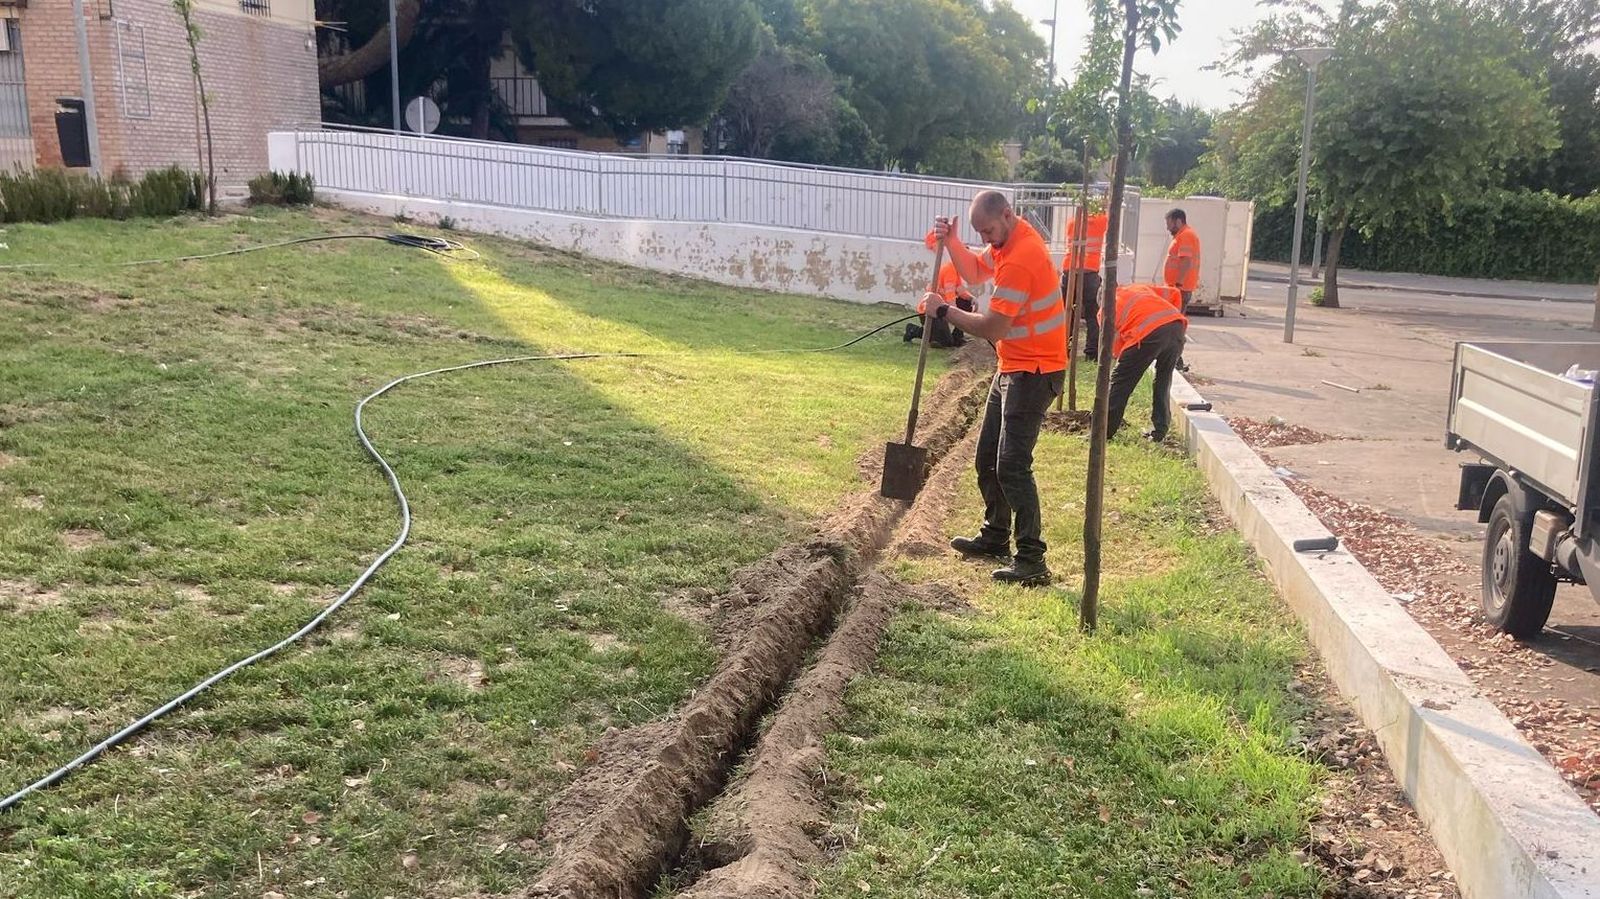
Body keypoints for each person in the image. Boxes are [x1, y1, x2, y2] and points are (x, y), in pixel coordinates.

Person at [922, 190, 1066, 587]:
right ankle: (995, 536)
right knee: (987, 457)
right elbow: (973, 272)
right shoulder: (1005, 243)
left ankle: (1032, 559)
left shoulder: (1022, 257)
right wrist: (951, 241)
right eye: (978, 233)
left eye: (987, 231)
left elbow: (993, 328)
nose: (984, 240)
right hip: (1014, 365)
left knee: (1012, 465)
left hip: (1035, 371)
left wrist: (944, 311)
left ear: (1007, 215)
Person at [1103, 283, 1187, 442]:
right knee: (1163, 379)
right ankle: (1159, 431)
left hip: (1148, 332)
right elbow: (1174, 293)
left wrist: (1121, 363)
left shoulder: (1105, 310)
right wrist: (1170, 316)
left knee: (1120, 382)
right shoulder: (1138, 288)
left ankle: (1103, 431)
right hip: (1176, 326)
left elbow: (1114, 348)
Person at [1061, 201, 1108, 359]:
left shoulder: (1072, 223)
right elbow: (1107, 216)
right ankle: (1092, 353)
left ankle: (1064, 350)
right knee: (1093, 314)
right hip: (1089, 273)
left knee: (1068, 313)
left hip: (1069, 270)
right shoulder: (1100, 221)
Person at [904, 260, 975, 348]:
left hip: (940, 308)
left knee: (967, 303)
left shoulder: (956, 269)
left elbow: (959, 290)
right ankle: (914, 330)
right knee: (946, 342)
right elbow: (951, 297)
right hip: (930, 309)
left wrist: (972, 298)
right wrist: (956, 315)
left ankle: (957, 337)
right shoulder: (950, 270)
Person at [1162, 208, 1200, 371]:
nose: (1168, 228)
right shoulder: (1183, 235)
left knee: (1175, 326)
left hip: (1179, 289)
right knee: (1174, 325)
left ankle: (1175, 360)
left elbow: (1186, 262)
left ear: (1178, 221)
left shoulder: (1186, 236)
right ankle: (1175, 359)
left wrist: (1177, 284)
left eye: (1169, 223)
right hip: (1178, 289)